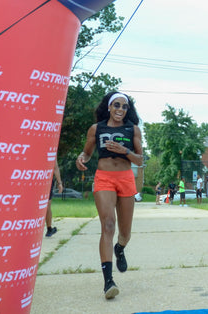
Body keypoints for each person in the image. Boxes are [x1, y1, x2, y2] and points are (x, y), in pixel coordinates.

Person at [75, 91, 143, 300]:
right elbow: (87, 152)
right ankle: (108, 282)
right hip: (104, 178)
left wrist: (125, 151)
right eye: (117, 105)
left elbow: (139, 160)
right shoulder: (96, 129)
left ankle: (120, 248)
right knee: (108, 225)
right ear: (109, 107)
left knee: (125, 233)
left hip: (125, 178)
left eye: (124, 107)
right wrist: (81, 158)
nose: (120, 110)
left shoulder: (133, 130)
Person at [45, 160, 64, 237]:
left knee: (47, 205)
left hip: (46, 179)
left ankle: (49, 229)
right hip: (43, 178)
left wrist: (59, 183)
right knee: (47, 205)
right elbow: (55, 166)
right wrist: (59, 183)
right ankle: (49, 229)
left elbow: (55, 166)